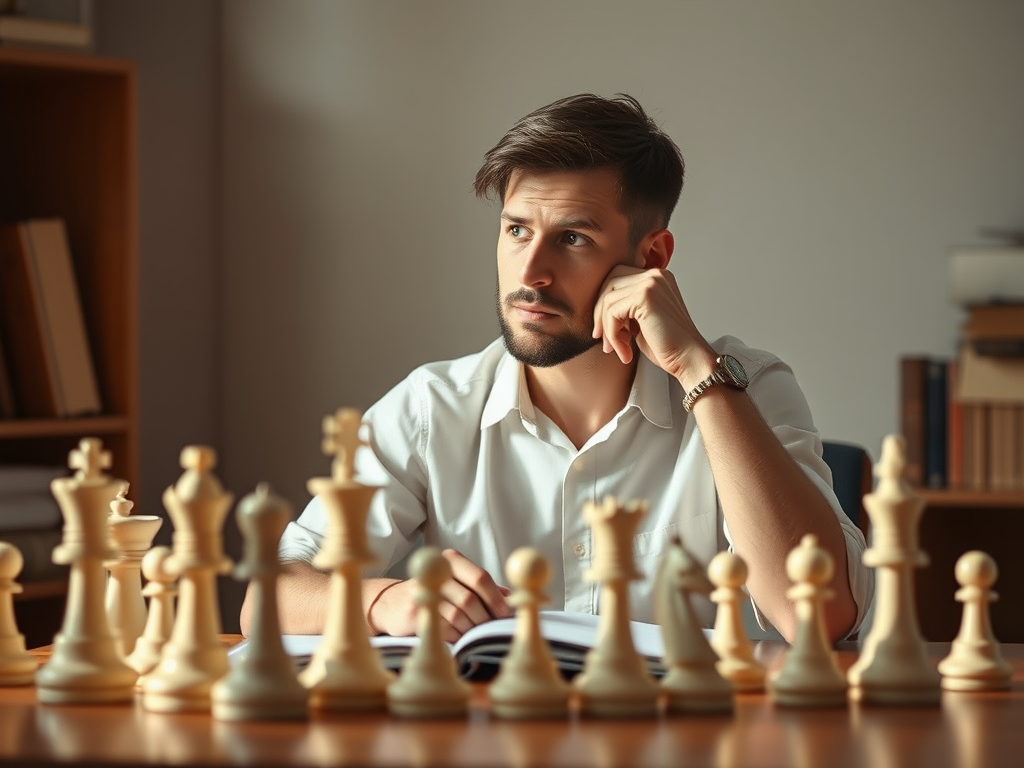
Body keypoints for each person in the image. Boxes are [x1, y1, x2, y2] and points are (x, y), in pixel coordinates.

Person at [241, 93, 873, 645]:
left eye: (572, 238)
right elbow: (267, 598)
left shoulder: (747, 387)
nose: (530, 273)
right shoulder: (431, 408)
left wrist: (694, 370)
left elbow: (821, 617)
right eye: (517, 230)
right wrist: (382, 600)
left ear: (650, 257)